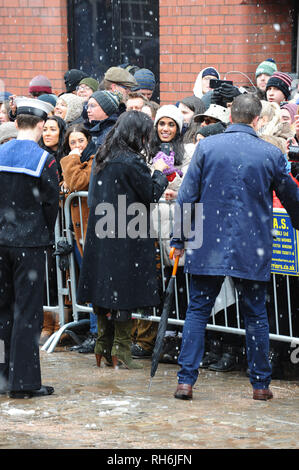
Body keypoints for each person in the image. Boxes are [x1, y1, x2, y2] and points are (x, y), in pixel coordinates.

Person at [170, 93, 299, 401]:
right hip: (250, 244)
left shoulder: (207, 147)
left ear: (230, 117)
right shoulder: (268, 153)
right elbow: (290, 195)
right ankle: (260, 385)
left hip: (207, 243)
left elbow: (187, 194)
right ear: (258, 120)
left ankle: (186, 381)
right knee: (255, 315)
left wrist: (178, 238)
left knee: (197, 311)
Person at [77, 111, 169, 369]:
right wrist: (159, 172)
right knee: (123, 293)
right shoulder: (131, 161)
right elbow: (150, 194)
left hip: (102, 231)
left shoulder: (102, 158)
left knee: (105, 290)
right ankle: (121, 350)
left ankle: (102, 346)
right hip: (127, 232)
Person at [0, 98, 59, 398]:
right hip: (29, 242)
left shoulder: (0, 152)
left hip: (1, 240)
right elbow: (51, 204)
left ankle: (3, 376)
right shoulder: (44, 160)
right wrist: (45, 232)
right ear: (39, 125)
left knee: (3, 310)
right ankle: (22, 383)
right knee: (26, 313)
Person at [132, 105, 190, 361]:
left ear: (178, 128)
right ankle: (158, 336)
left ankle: (179, 335)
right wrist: (158, 175)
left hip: (179, 223)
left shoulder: (187, 151)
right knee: (158, 280)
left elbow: (188, 180)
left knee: (181, 284)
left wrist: (169, 175)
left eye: (171, 125)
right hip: (154, 223)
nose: (166, 129)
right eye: (162, 124)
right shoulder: (147, 151)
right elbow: (144, 181)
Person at [60, 124, 98, 354]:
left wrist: (71, 160)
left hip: (90, 231)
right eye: (72, 143)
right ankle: (91, 330)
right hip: (76, 232)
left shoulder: (93, 160)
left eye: (80, 141)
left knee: (93, 283)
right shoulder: (73, 163)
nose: (76, 147)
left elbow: (76, 184)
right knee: (84, 282)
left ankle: (96, 333)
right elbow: (64, 190)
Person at [38, 115, 67, 345]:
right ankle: (47, 323)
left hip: (65, 226)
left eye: (52, 129)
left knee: (64, 275)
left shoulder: (65, 157)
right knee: (47, 276)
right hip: (44, 226)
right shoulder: (40, 156)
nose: (47, 133)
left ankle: (62, 323)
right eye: (45, 129)